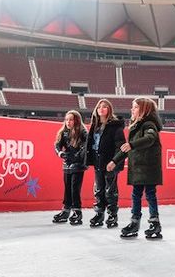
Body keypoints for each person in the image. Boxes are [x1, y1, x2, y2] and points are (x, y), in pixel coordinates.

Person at [111, 97, 164, 239]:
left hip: (148, 168)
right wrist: (114, 161)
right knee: (136, 195)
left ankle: (154, 223)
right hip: (138, 169)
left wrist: (132, 145)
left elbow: (150, 138)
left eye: (134, 107)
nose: (131, 109)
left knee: (150, 194)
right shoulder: (136, 126)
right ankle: (135, 223)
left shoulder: (148, 124)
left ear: (144, 109)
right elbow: (128, 148)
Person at [85, 99, 126, 229]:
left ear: (109, 110)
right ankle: (99, 214)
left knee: (110, 191)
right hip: (98, 162)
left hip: (110, 163)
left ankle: (112, 215)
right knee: (99, 189)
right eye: (99, 107)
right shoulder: (95, 126)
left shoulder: (115, 126)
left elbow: (120, 146)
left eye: (104, 107)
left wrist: (114, 162)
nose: (101, 109)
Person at [52, 110, 88, 225]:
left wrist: (76, 157)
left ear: (76, 120)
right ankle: (66, 211)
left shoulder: (82, 132)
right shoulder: (63, 132)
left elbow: (85, 147)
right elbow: (57, 145)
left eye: (71, 119)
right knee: (67, 188)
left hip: (78, 165)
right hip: (67, 165)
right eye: (66, 119)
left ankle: (77, 211)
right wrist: (60, 153)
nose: (68, 122)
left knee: (74, 189)